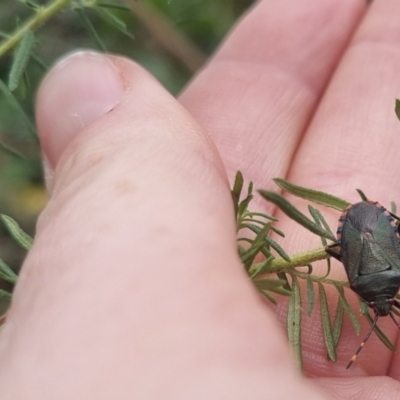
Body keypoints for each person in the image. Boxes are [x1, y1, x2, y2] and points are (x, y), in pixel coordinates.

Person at [1, 0, 399, 398]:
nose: (381, 312)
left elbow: (355, 248)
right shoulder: (364, 287)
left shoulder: (374, 285)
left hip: (370, 231)